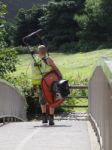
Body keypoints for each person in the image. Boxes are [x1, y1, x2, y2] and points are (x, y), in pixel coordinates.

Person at [32, 45, 62, 126]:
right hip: (51, 83)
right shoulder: (48, 59)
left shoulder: (35, 61)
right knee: (51, 99)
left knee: (42, 101)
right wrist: (60, 77)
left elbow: (34, 74)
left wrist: (34, 85)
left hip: (41, 84)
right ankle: (51, 119)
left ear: (38, 52)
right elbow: (55, 68)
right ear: (45, 51)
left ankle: (44, 118)